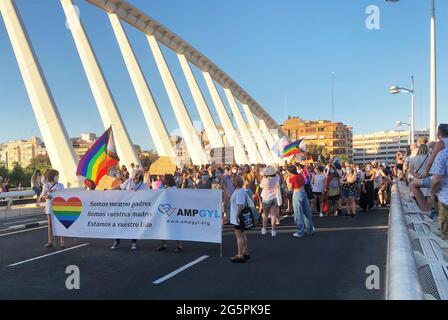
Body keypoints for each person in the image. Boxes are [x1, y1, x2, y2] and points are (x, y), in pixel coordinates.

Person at [110, 173, 147, 250]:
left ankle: (134, 242)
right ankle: (117, 240)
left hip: (135, 208)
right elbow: (120, 187)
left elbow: (146, 195)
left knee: (133, 224)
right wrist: (110, 190)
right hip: (125, 207)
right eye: (135, 177)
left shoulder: (143, 185)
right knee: (120, 223)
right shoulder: (128, 181)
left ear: (140, 179)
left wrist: (137, 193)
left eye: (137, 178)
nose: (135, 179)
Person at [156, 174, 184, 252]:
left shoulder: (175, 189)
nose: (163, 180)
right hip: (165, 211)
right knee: (163, 227)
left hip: (173, 211)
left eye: (165, 179)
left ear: (169, 180)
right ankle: (163, 244)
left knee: (175, 228)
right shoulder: (164, 187)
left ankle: (179, 245)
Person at [41, 170, 65, 248]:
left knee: (61, 224)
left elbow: (64, 196)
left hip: (59, 207)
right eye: (56, 175)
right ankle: (50, 242)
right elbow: (42, 196)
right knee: (50, 225)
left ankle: (62, 242)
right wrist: (46, 197)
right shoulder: (46, 185)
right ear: (52, 176)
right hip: (49, 207)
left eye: (58, 175)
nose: (57, 177)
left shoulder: (60, 185)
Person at [288, 165, 314, 238]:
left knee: (298, 214)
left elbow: (289, 188)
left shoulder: (292, 178)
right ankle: (310, 229)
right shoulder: (300, 175)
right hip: (304, 193)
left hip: (297, 194)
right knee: (307, 213)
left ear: (289, 171)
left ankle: (300, 232)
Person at [229, 175, 249, 263]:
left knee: (239, 236)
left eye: (233, 181)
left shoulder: (238, 192)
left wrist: (237, 216)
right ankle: (245, 251)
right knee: (243, 234)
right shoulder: (241, 190)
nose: (232, 182)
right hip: (240, 216)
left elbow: (240, 205)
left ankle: (240, 255)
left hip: (238, 216)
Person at [429, 148, 448, 239]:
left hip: (446, 198)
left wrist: (432, 193)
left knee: (446, 233)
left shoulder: (443, 154)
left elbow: (437, 179)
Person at [259, 166, 281, 237]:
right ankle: (273, 230)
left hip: (266, 198)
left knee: (265, 214)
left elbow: (261, 186)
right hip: (274, 197)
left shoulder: (265, 180)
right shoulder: (277, 179)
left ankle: (264, 229)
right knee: (273, 215)